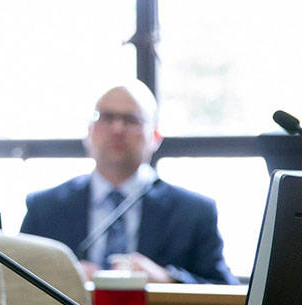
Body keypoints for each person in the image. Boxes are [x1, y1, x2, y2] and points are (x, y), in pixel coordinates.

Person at [20, 81, 236, 285]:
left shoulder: (194, 212)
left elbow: (228, 295)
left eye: (131, 120)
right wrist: (63, 277)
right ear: (89, 132)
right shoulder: (45, 208)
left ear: (155, 137)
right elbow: (14, 284)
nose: (117, 129)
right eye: (107, 117)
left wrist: (168, 280)